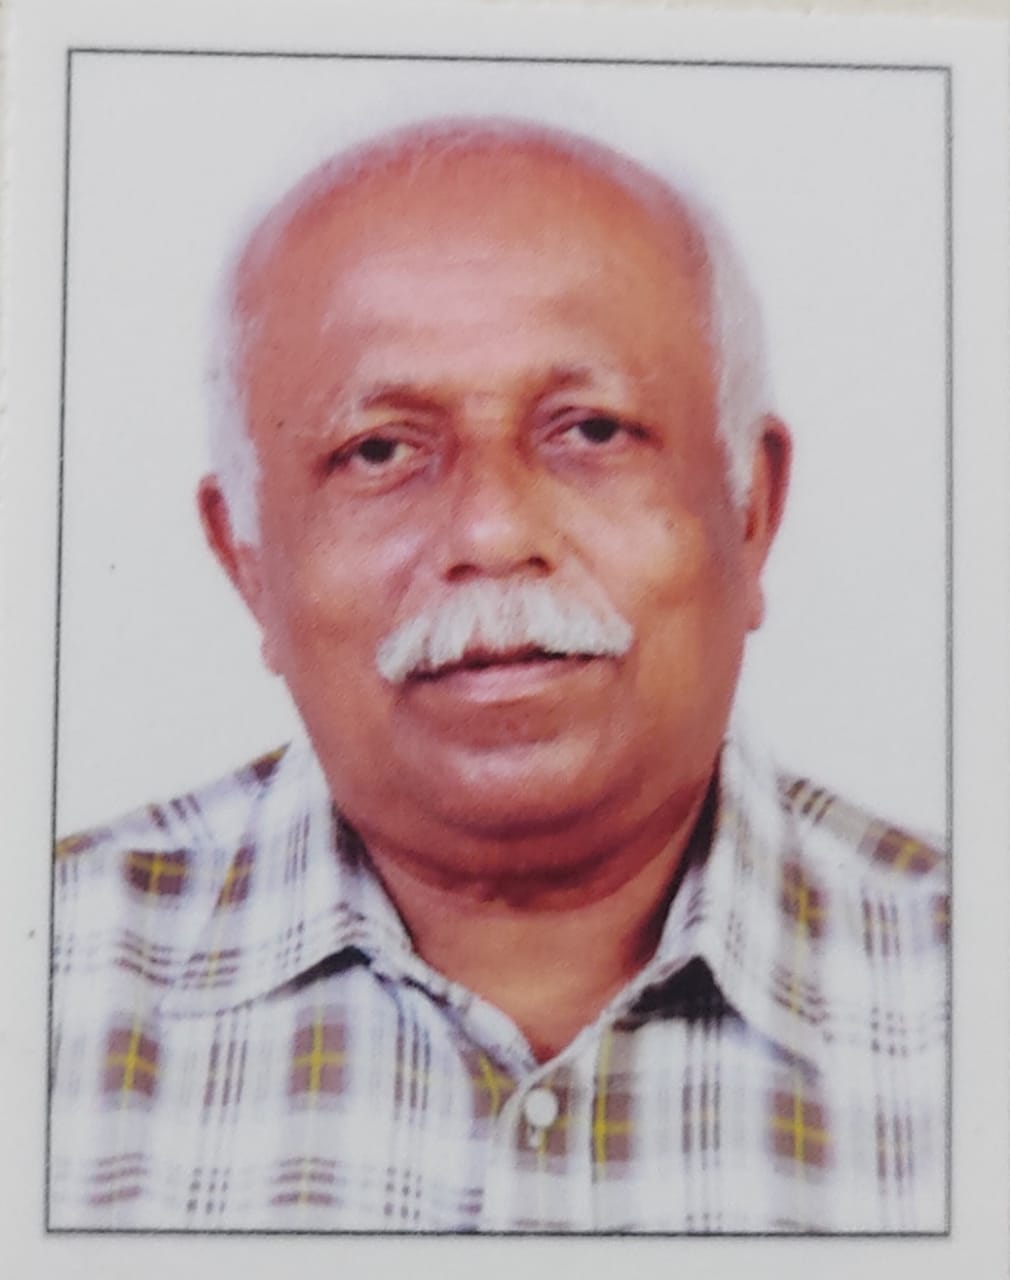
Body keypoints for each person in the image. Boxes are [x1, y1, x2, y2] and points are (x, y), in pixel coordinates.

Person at [50, 117, 947, 1233]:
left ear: (750, 511)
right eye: (380, 450)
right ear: (248, 561)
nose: (491, 531)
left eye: (591, 431)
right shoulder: (47, 987)